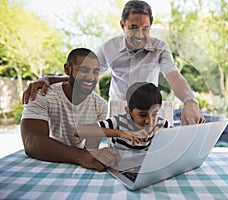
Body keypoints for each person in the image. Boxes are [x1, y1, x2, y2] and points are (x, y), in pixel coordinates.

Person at [22, 0, 205, 125]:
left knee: (156, 158)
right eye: (133, 27)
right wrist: (47, 79)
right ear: (122, 25)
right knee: (119, 159)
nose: (140, 35)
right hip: (119, 110)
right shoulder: (108, 48)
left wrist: (190, 101)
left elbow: (174, 77)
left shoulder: (160, 47)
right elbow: (83, 76)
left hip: (150, 109)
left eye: (145, 28)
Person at [21, 48, 121, 172]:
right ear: (68, 69)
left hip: (75, 166)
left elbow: (90, 149)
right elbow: (31, 142)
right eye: (83, 70)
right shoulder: (42, 95)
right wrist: (80, 156)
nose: (91, 77)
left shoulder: (100, 105)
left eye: (95, 72)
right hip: (42, 165)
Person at [74, 82, 171, 151]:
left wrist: (164, 137)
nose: (149, 121)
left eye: (154, 114)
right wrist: (120, 133)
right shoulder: (119, 121)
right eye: (142, 115)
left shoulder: (160, 124)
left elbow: (180, 140)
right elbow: (78, 131)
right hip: (119, 166)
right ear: (129, 111)